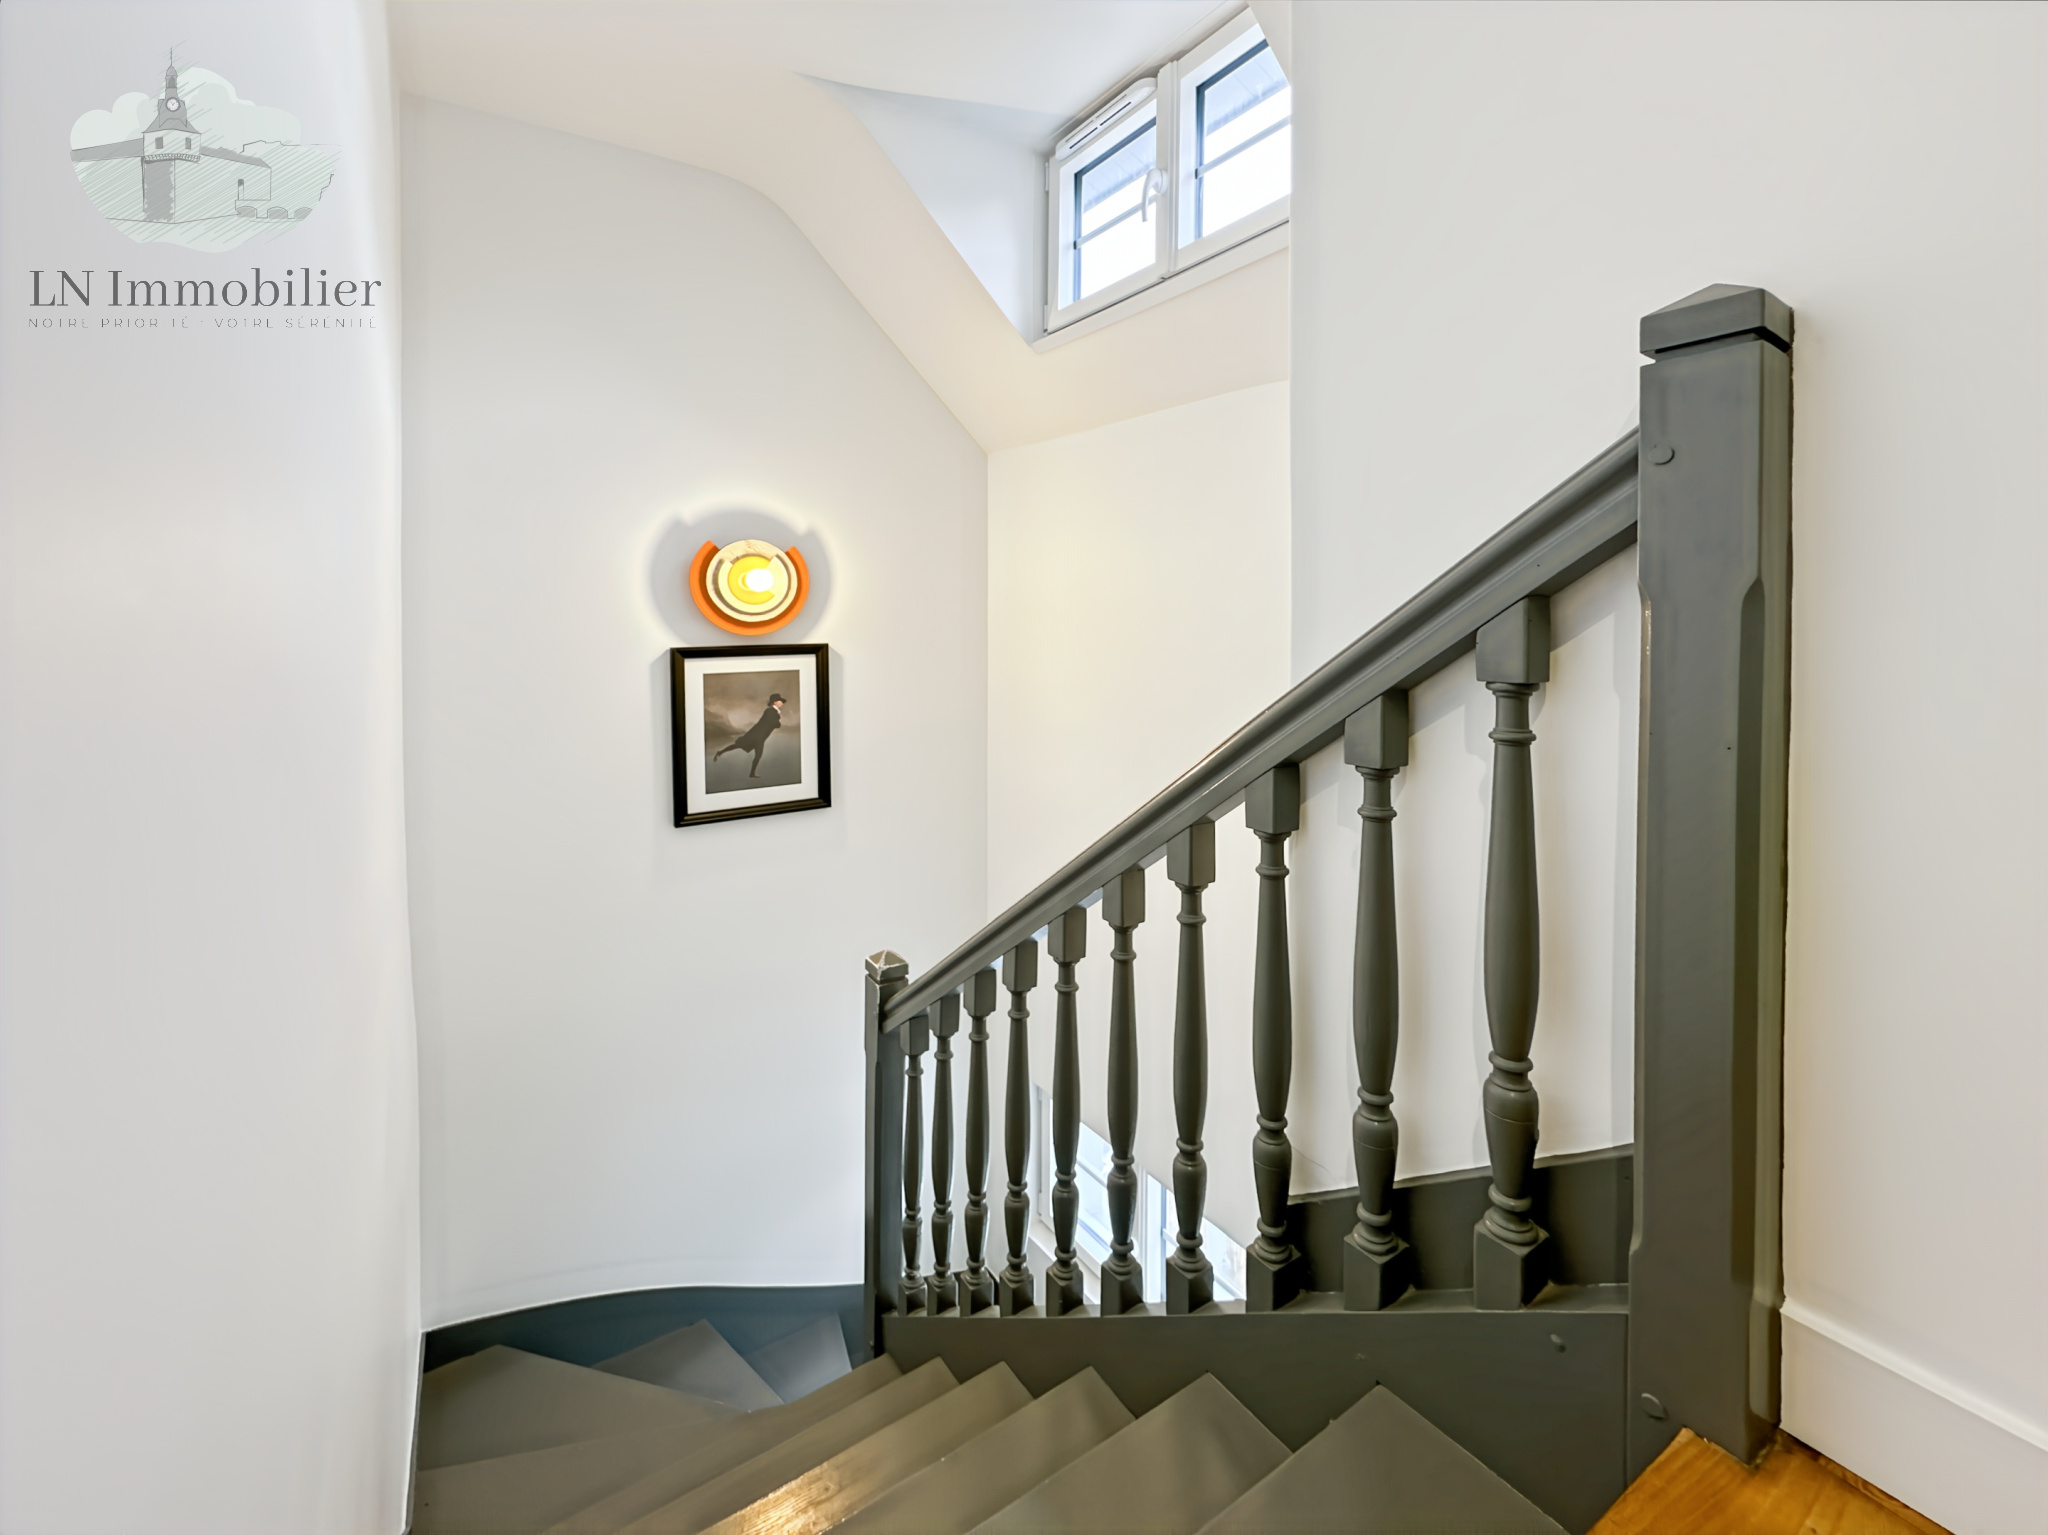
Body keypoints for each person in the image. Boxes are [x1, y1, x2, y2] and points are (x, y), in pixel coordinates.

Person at [713, 692, 784, 779]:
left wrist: (777, 717)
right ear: (774, 702)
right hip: (756, 736)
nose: (782, 703)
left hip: (760, 737)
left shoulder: (773, 712)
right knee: (739, 746)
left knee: (754, 754)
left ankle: (751, 773)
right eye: (780, 701)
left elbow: (774, 724)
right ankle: (720, 752)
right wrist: (778, 717)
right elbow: (776, 724)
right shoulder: (770, 711)